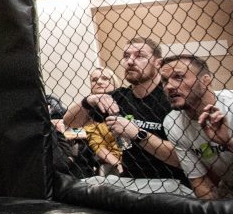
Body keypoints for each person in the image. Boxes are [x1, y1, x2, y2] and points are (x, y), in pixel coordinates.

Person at [64, 37, 186, 194]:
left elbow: (182, 158)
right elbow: (70, 122)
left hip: (171, 183)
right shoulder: (119, 97)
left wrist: (137, 134)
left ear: (158, 63)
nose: (130, 61)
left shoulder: (172, 98)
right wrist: (89, 100)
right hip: (130, 181)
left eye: (140, 56)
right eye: (126, 56)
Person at [160, 55, 233, 199]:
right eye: (164, 81)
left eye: (179, 77)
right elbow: (199, 181)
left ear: (205, 80)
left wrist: (228, 142)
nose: (169, 86)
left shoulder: (230, 105)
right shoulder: (172, 122)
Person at [84, 67, 123, 175]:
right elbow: (98, 147)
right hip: (115, 163)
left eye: (105, 78)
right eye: (94, 80)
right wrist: (119, 165)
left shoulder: (127, 101)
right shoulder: (89, 113)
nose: (99, 82)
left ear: (114, 82)